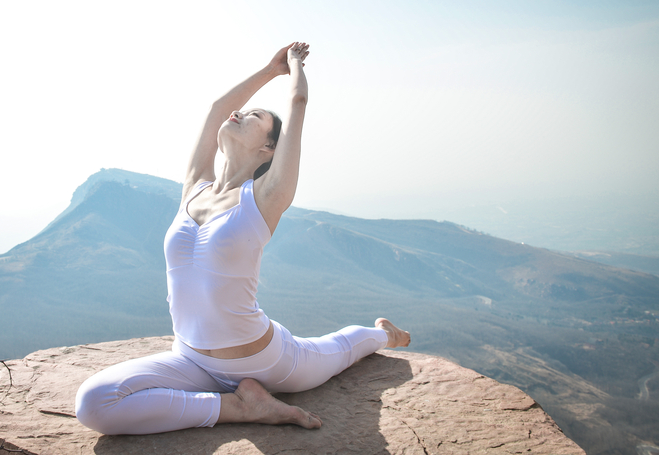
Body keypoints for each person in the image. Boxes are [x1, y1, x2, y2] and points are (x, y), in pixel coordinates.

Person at [74, 42, 411, 435]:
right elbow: (217, 108)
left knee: (339, 348)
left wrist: (295, 65)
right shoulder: (194, 188)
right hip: (190, 361)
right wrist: (269, 69)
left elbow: (298, 101)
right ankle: (240, 407)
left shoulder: (266, 197)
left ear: (269, 147)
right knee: (93, 403)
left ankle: (384, 333)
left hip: (264, 361)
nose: (237, 113)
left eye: (253, 116)